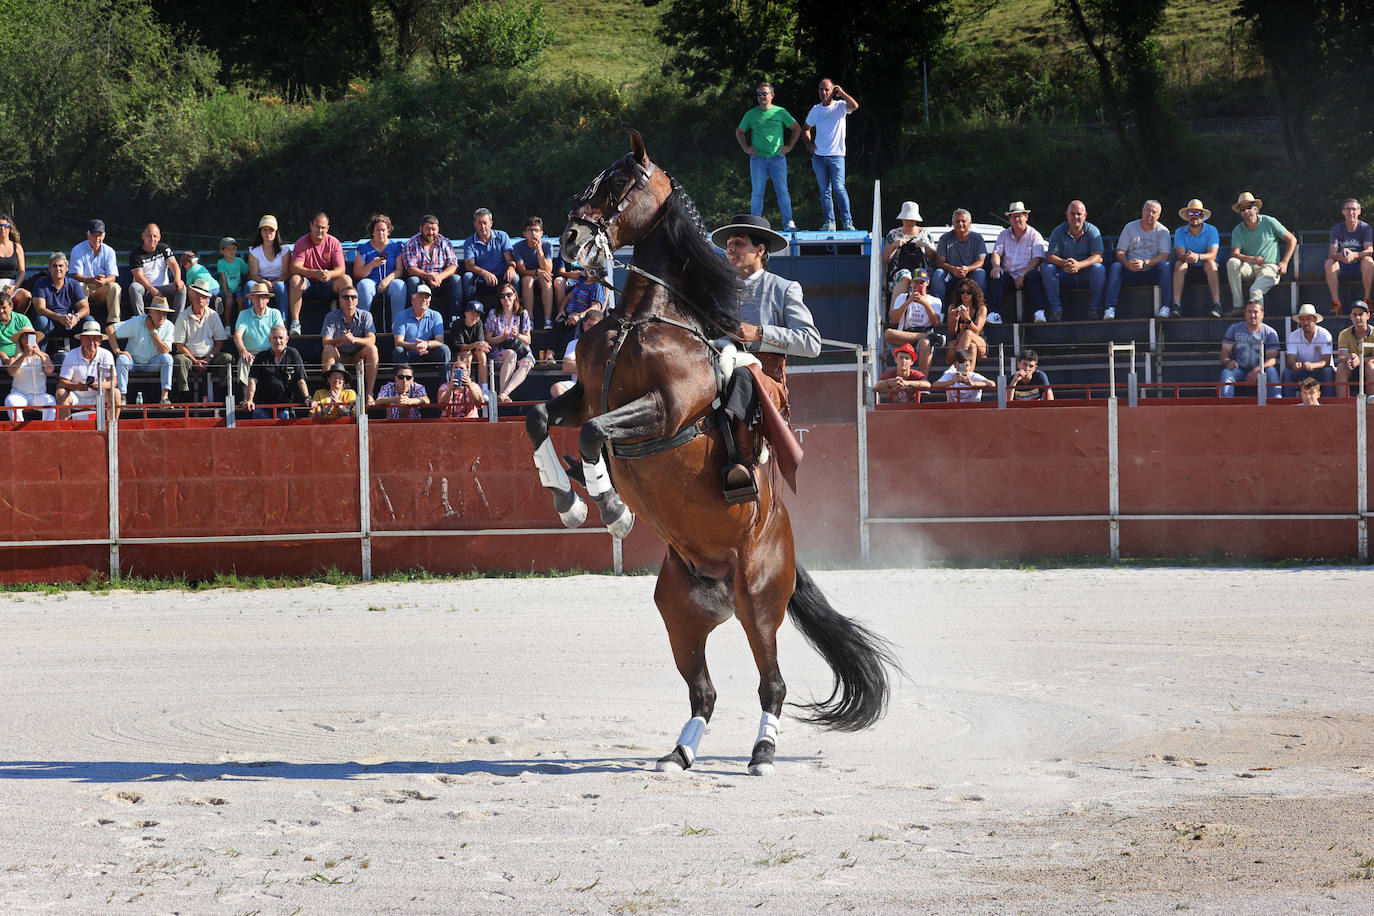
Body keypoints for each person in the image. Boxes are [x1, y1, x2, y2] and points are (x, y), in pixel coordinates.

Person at [711, 213, 821, 498]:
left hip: (765, 382)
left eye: (739, 243)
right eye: (729, 245)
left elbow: (811, 343)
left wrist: (760, 333)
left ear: (760, 251)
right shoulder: (717, 291)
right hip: (718, 371)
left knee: (745, 374)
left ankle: (743, 462)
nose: (731, 249)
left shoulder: (784, 288)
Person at [736, 81, 801, 231]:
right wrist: (746, 148)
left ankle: (789, 222)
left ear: (772, 95)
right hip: (758, 158)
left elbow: (796, 128)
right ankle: (754, 224)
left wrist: (789, 146)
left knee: (782, 191)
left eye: (764, 94)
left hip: (777, 158)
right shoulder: (751, 114)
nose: (761, 97)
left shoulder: (780, 112)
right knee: (757, 192)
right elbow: (739, 131)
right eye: (759, 94)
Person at [1226, 191, 1296, 313]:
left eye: (1249, 207)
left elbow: (1292, 240)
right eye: (1242, 209)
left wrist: (1284, 262)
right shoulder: (1238, 230)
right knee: (1232, 262)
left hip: (1270, 267)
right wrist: (1252, 259)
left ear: (1256, 209)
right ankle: (1238, 306)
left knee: (1255, 290)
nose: (1246, 211)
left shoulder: (1269, 221)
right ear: (1240, 213)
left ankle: (1258, 321)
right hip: (1249, 268)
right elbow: (1234, 254)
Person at [803, 78, 858, 231]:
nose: (824, 92)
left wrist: (842, 93)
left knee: (839, 188)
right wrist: (809, 144)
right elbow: (806, 127)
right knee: (824, 191)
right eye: (821, 89)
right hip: (819, 156)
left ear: (833, 91)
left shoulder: (840, 106)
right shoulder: (816, 109)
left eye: (827, 89)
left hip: (837, 156)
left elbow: (854, 106)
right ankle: (830, 223)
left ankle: (847, 222)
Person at [1106, 200, 1171, 320]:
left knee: (1165, 265)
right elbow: (1120, 252)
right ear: (1142, 211)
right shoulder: (1129, 227)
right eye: (1147, 210)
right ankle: (1110, 308)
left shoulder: (1163, 231)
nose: (1150, 214)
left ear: (1158, 215)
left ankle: (1166, 307)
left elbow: (1165, 255)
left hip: (1151, 272)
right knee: (1116, 266)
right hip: (1130, 270)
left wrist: (1146, 262)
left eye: (1154, 212)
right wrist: (1127, 263)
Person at [1042, 200, 1107, 320]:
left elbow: (1098, 256)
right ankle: (1055, 311)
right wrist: (1065, 263)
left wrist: (1079, 265)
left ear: (1085, 215)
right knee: (1049, 269)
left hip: (1086, 275)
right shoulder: (1058, 231)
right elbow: (1050, 257)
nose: (1075, 217)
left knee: (1099, 268)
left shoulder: (1093, 230)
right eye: (1072, 214)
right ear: (1067, 215)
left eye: (1079, 214)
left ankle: (1095, 309)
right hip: (1064, 273)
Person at [286, 211, 348, 334]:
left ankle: (345, 322)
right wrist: (314, 273)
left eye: (323, 228)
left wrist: (330, 274)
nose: (320, 230)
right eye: (317, 227)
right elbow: (294, 267)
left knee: (346, 280)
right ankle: (295, 323)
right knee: (294, 280)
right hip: (307, 284)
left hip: (327, 283)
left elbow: (341, 269)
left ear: (328, 228)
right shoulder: (301, 242)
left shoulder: (334, 242)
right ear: (311, 226)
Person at [171, 278, 232, 401]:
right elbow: (179, 344)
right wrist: (194, 360)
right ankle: (184, 395)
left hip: (210, 357)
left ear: (207, 299)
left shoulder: (213, 315)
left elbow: (219, 342)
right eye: (197, 295)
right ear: (191, 296)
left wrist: (209, 358)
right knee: (179, 359)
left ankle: (224, 393)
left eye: (204, 296)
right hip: (189, 357)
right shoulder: (183, 316)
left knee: (227, 358)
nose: (200, 299)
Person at [108, 296, 176, 404]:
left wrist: (152, 331)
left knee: (168, 358)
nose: (162, 316)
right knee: (121, 359)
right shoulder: (137, 321)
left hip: (152, 363)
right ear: (150, 311)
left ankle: (164, 398)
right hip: (133, 362)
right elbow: (110, 329)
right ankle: (122, 397)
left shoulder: (169, 326)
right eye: (159, 312)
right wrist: (117, 351)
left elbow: (165, 351)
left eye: (165, 313)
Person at [988, 201, 1048, 322]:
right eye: (1014, 216)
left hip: (1027, 275)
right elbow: (996, 253)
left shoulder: (1034, 235)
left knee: (1034, 275)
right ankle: (995, 314)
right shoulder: (1003, 234)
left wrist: (1022, 274)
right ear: (1009, 219)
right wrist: (996, 266)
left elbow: (1038, 259)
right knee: (996, 275)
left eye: (1020, 216)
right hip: (1009, 275)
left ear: (1026, 217)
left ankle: (1039, 312)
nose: (1017, 219)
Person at [321, 285, 379, 402]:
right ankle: (329, 393)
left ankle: (369, 393)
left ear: (357, 300)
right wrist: (343, 339)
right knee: (328, 349)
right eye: (346, 297)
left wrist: (353, 339)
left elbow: (372, 339)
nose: (350, 300)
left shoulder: (365, 315)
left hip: (358, 355)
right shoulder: (331, 316)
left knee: (372, 349)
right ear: (340, 300)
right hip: (339, 356)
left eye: (353, 297)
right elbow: (325, 341)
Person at [1219, 295, 1280, 399]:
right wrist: (1228, 362)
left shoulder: (1270, 332)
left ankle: (1277, 404)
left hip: (1261, 370)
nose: (1252, 315)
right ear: (1245, 314)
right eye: (1249, 312)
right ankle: (1226, 407)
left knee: (1272, 371)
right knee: (1226, 373)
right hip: (1239, 369)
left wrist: (1256, 370)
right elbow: (1224, 353)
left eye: (1255, 312)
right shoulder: (1234, 329)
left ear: (1262, 314)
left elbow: (1272, 359)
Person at [883, 268, 942, 375]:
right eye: (916, 282)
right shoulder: (902, 297)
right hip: (905, 335)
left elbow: (935, 322)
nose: (918, 285)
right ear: (911, 283)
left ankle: (923, 381)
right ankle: (926, 336)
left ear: (927, 283)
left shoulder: (935, 301)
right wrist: (908, 302)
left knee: (925, 343)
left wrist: (924, 303)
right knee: (888, 333)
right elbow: (893, 320)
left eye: (921, 283)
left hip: (922, 340)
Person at [242, 325, 309, 418]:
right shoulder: (261, 356)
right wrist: (249, 400)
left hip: (284, 407)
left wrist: (307, 398)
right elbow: (252, 380)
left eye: (281, 338)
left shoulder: (293, 354)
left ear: (287, 339)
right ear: (269, 339)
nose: (278, 341)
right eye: (275, 338)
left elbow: (301, 380)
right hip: (262, 406)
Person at [351, 213, 406, 327]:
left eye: (383, 230)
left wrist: (387, 280)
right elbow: (357, 274)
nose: (381, 233)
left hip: (390, 282)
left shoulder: (395, 247)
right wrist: (371, 265)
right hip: (371, 282)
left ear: (388, 231)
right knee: (364, 285)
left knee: (400, 285)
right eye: (377, 230)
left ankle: (398, 326)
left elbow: (399, 270)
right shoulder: (364, 248)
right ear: (373, 232)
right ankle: (360, 325)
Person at [1170, 198, 1222, 318]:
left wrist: (1197, 256)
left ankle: (1217, 305)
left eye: (1197, 213)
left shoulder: (1212, 230)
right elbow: (1179, 253)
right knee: (1179, 263)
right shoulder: (1179, 231)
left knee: (1211, 264)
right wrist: (1187, 257)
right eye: (1191, 213)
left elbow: (1212, 255)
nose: (1194, 216)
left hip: (1206, 269)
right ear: (1187, 216)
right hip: (1187, 269)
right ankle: (1176, 305)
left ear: (1202, 215)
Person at [483, 281, 534, 403]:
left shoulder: (523, 314)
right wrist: (503, 337)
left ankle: (504, 393)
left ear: (515, 295)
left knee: (527, 362)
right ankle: (503, 393)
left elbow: (528, 340)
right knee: (511, 354)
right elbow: (487, 339)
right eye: (502, 296)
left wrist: (517, 335)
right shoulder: (493, 314)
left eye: (509, 295)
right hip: (500, 350)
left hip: (521, 349)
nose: (506, 298)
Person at [29, 252, 90, 352]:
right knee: (41, 320)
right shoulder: (41, 283)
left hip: (69, 322)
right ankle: (37, 358)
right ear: (49, 268)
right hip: (50, 323)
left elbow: (85, 308)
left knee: (89, 321)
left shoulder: (73, 284)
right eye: (54, 266)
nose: (58, 269)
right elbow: (40, 309)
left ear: (67, 268)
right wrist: (59, 317)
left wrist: (76, 317)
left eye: (61, 266)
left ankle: (88, 357)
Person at [402, 214, 462, 315]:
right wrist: (428, 276)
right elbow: (410, 269)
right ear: (420, 229)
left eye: (433, 229)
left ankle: (455, 318)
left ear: (438, 229)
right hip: (422, 280)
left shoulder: (445, 242)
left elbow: (453, 265)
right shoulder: (411, 244)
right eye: (427, 229)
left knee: (455, 279)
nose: (431, 233)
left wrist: (440, 277)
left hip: (441, 280)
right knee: (413, 281)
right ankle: (411, 316)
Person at [55, 318, 116, 419]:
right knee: (61, 393)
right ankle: (66, 429)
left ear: (100, 340)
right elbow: (62, 382)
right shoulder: (71, 354)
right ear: (81, 339)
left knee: (116, 393)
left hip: (100, 395)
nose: (91, 342)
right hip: (76, 396)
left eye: (95, 339)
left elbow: (113, 382)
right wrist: (77, 387)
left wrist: (100, 385)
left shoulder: (106, 354)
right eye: (88, 338)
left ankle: (112, 426)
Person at [393, 283, 451, 387]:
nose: (424, 299)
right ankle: (400, 389)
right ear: (413, 299)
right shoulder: (401, 316)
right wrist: (414, 346)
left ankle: (445, 388)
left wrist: (426, 344)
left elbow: (440, 340)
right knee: (398, 351)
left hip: (428, 352)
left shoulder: (436, 315)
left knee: (444, 349)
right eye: (421, 296)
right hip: (409, 353)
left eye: (427, 297)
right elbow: (398, 342)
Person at [1325, 198, 1374, 314]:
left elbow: (1370, 250)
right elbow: (1331, 254)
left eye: (1353, 209)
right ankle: (1336, 303)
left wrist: (1355, 255)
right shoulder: (1336, 229)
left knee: (1369, 261)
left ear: (1359, 211)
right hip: (1342, 266)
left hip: (1360, 267)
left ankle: (1366, 300)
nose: (1351, 212)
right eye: (1348, 209)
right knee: (1328, 263)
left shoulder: (1365, 228)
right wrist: (1341, 255)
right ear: (1343, 212)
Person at [68, 219, 122, 324]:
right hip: (85, 287)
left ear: (104, 235)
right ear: (88, 234)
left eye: (100, 235)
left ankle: (114, 323)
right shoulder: (77, 249)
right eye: (94, 235)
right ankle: (83, 320)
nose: (97, 238)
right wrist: (93, 279)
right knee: (79, 285)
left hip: (102, 287)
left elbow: (113, 276)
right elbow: (76, 276)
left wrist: (104, 281)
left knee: (115, 287)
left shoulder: (110, 251)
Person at [234, 281, 286, 387]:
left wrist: (275, 353)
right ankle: (246, 399)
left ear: (268, 299)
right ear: (251, 298)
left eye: (263, 297)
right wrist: (243, 351)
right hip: (250, 354)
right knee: (244, 362)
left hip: (271, 353)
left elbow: (282, 335)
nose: (260, 300)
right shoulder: (243, 314)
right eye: (257, 297)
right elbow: (237, 336)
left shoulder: (275, 313)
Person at [882, 201, 937, 303]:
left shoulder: (925, 233)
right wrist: (894, 245)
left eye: (913, 219)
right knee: (905, 275)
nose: (910, 222)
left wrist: (926, 246)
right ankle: (895, 312)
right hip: (900, 269)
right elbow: (885, 260)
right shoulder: (893, 234)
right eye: (908, 219)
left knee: (919, 277)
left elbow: (934, 257)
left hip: (922, 270)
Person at [462, 208, 518, 303]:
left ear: (491, 223)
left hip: (502, 277)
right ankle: (472, 309)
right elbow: (469, 265)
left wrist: (511, 268)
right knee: (468, 276)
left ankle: (515, 310)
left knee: (515, 277)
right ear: (474, 224)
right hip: (481, 279)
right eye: (479, 223)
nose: (482, 226)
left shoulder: (502, 236)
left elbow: (510, 259)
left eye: (485, 223)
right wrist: (485, 273)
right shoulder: (469, 242)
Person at [128, 222, 185, 317]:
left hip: (163, 288)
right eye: (149, 236)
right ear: (143, 236)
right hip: (145, 289)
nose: (152, 239)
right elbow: (138, 277)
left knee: (182, 287)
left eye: (155, 236)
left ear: (159, 237)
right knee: (134, 287)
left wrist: (177, 279)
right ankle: (140, 319)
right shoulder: (135, 254)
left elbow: (174, 265)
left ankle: (178, 321)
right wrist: (154, 291)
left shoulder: (164, 248)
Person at [511, 216, 557, 329]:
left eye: (536, 230)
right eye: (530, 230)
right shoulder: (518, 247)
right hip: (528, 279)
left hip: (542, 280)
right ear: (524, 233)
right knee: (527, 279)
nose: (533, 233)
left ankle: (547, 320)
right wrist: (537, 272)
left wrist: (539, 250)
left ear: (541, 233)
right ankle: (529, 320)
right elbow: (521, 270)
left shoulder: (547, 246)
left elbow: (548, 270)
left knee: (547, 280)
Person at [932, 208, 988, 301]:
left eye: (963, 221)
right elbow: (939, 262)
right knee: (938, 273)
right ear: (953, 223)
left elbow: (981, 261)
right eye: (957, 221)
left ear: (970, 223)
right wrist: (953, 270)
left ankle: (981, 308)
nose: (960, 224)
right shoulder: (944, 238)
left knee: (980, 273)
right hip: (950, 275)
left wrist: (968, 268)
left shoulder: (977, 238)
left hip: (970, 274)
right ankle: (938, 311)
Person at [549, 305, 604, 398]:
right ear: (584, 324)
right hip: (578, 384)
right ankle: (570, 412)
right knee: (556, 388)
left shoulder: (607, 344)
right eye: (589, 325)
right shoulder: (574, 344)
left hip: (602, 385)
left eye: (595, 326)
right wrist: (595, 369)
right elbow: (567, 366)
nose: (591, 329)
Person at [1282, 303, 1335, 398]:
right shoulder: (1293, 335)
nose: (1305, 322)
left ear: (1315, 320)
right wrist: (1294, 364)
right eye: (1302, 319)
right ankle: (1288, 405)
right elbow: (1290, 359)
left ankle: (1329, 402)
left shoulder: (1325, 335)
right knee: (1287, 372)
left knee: (1328, 371)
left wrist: (1312, 365)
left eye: (1308, 319)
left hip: (1320, 371)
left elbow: (1326, 361)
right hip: (1302, 370)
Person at [4, 327, 56, 420]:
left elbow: (50, 370)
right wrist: (24, 355)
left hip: (39, 395)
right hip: (20, 395)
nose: (28, 337)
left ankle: (48, 430)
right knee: (10, 401)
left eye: (31, 335)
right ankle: (19, 432)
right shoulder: (14, 357)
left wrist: (39, 353)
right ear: (21, 340)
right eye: (25, 336)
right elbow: (11, 373)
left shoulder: (43, 356)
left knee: (51, 401)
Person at [446, 300, 491, 396]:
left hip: (471, 353)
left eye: (478, 315)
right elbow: (460, 347)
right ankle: (465, 385)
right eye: (472, 313)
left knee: (482, 355)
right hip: (457, 355)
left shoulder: (479, 323)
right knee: (468, 354)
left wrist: (484, 347)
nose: (475, 317)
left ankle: (485, 388)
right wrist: (475, 345)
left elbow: (480, 344)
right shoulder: (457, 324)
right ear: (466, 313)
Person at [247, 214, 289, 313]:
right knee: (249, 285)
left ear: (276, 232)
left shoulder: (284, 250)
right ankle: (250, 318)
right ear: (260, 232)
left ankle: (283, 322)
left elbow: (286, 273)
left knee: (280, 286)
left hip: (279, 281)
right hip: (260, 281)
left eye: (271, 229)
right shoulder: (254, 251)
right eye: (264, 229)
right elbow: (253, 275)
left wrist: (274, 283)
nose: (268, 232)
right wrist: (264, 282)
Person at [945, 279, 989, 370]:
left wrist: (968, 319)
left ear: (974, 294)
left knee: (968, 333)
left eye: (968, 292)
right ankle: (965, 376)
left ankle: (957, 370)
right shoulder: (953, 307)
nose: (965, 294)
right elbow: (952, 333)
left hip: (979, 341)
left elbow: (976, 331)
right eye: (962, 291)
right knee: (971, 347)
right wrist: (955, 320)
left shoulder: (981, 308)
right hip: (961, 341)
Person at [1335, 300, 1374, 396]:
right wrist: (1349, 358)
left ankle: (1371, 403)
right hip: (1352, 367)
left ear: (1368, 316)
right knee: (1341, 368)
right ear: (1351, 316)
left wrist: (1359, 360)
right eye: (1355, 314)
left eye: (1361, 314)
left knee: (1371, 367)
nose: (1358, 318)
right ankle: (1342, 404)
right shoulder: (1344, 334)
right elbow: (1341, 358)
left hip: (1368, 368)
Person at [437, 350, 484, 419]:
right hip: (449, 422)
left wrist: (470, 387)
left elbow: (480, 405)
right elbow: (442, 407)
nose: (459, 370)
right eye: (455, 368)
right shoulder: (444, 387)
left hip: (470, 422)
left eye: (461, 368)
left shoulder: (474, 386)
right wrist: (450, 389)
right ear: (451, 370)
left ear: (467, 371)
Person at [214, 236, 248, 326]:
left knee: (241, 301)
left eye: (234, 249)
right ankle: (227, 325)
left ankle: (240, 325)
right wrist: (225, 291)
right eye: (228, 249)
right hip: (226, 290)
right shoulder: (220, 263)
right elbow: (223, 278)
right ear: (222, 251)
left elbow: (247, 272)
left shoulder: (239, 261)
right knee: (229, 301)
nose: (232, 251)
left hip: (238, 290)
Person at [0, 214, 29, 313]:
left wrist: (15, 287)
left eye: (6, 226)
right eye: (0, 226)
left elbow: (22, 272)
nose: (3, 229)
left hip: (11, 286)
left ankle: (15, 321)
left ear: (10, 228)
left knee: (26, 296)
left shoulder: (17, 247)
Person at [0, 288, 37, 359]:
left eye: (4, 308)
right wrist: (2, 356)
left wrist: (24, 354)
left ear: (11, 306)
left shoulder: (23, 319)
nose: (1, 311)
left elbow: (32, 340)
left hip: (21, 357)